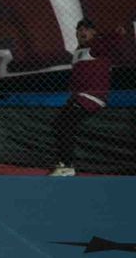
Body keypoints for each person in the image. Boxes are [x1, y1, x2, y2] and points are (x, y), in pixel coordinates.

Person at [50, 20, 126, 177]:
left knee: (65, 123)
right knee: (60, 123)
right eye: (79, 29)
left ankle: (67, 166)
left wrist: (116, 34)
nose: (82, 32)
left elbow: (110, 43)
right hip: (79, 97)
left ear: (94, 33)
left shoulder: (96, 47)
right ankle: (64, 162)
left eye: (86, 29)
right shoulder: (78, 51)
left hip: (93, 96)